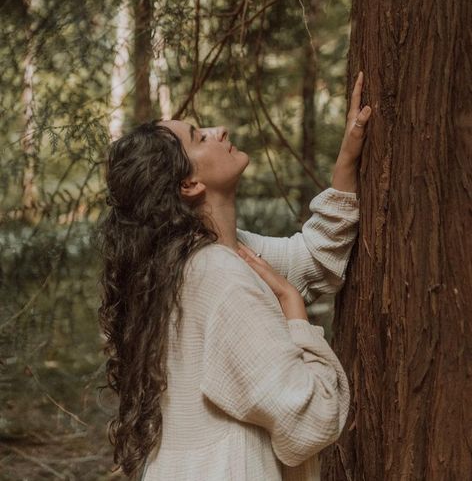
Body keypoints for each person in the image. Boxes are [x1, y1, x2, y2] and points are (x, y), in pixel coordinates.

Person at [98, 72, 372, 480]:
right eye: (199, 137)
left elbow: (314, 257)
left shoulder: (196, 257)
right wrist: (296, 314)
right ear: (189, 184)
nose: (218, 130)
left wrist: (348, 158)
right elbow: (312, 421)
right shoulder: (222, 276)